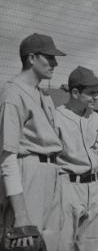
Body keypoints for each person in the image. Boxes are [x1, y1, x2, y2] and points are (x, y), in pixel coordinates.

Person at [0, 33, 65, 250]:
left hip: (51, 173)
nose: (55, 63)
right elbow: (7, 158)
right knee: (26, 241)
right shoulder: (12, 94)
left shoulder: (43, 94)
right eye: (49, 57)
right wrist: (21, 214)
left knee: (51, 243)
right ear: (31, 58)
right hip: (28, 172)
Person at [55, 66, 98, 251]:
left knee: (94, 245)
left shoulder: (96, 119)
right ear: (75, 92)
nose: (97, 97)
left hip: (94, 187)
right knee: (62, 245)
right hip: (66, 185)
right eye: (91, 93)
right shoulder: (56, 117)